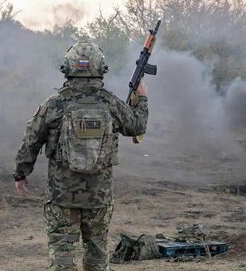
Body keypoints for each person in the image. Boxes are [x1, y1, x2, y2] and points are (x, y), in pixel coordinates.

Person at [13, 41, 149, 271]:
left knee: (62, 261)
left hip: (62, 197)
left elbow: (31, 140)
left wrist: (20, 173)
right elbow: (137, 125)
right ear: (101, 68)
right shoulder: (110, 103)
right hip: (99, 198)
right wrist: (142, 98)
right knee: (97, 257)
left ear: (67, 67)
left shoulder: (54, 104)